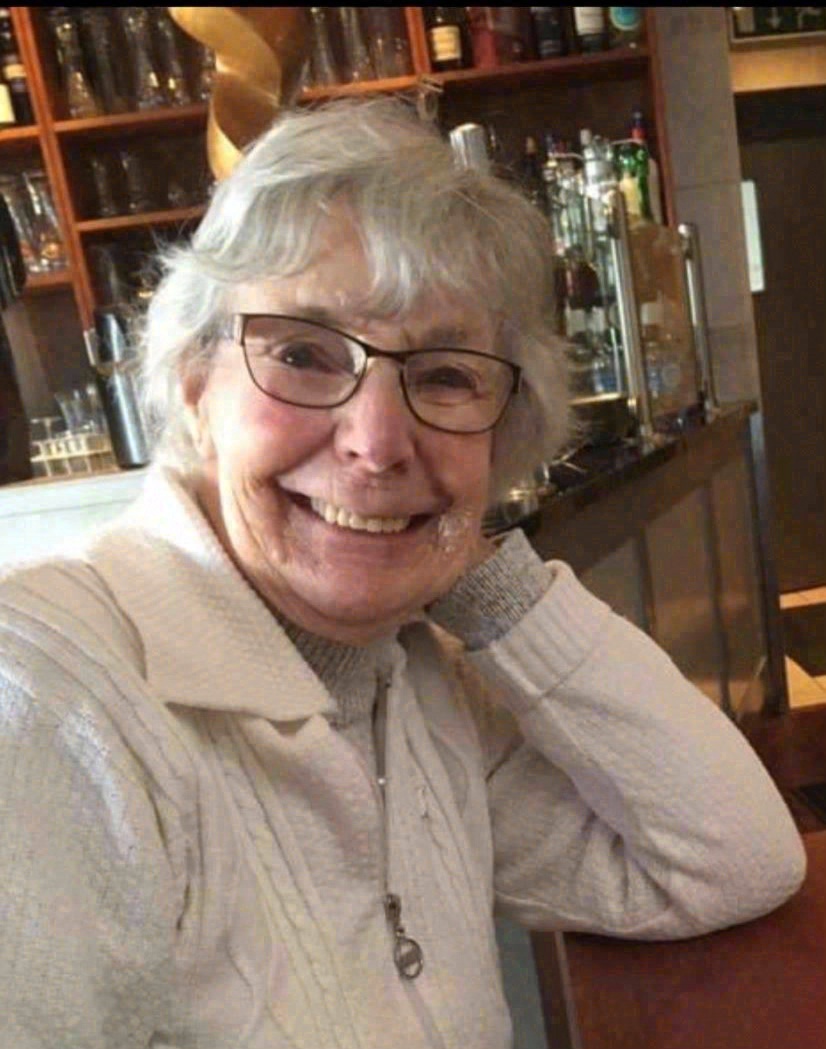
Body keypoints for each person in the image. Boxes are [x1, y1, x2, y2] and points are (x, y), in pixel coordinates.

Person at [0, 97, 805, 1049]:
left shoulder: (412, 682)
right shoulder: (47, 693)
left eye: (446, 375)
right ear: (194, 384)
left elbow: (732, 857)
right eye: (303, 354)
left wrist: (483, 581)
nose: (378, 442)